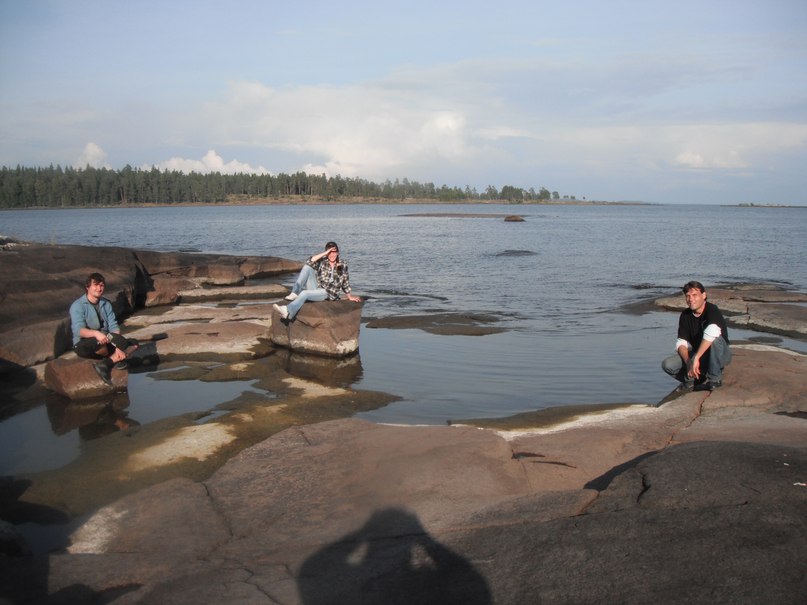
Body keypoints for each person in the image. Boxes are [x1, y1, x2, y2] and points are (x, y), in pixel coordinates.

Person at [662, 280, 732, 391]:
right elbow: (681, 342)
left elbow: (712, 332)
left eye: (695, 295)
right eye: (688, 296)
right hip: (700, 355)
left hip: (720, 353)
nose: (691, 299)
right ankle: (695, 380)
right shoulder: (685, 315)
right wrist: (688, 362)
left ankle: (714, 379)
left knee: (715, 339)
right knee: (668, 364)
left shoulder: (712, 310)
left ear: (704, 295)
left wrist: (696, 358)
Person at [273, 241, 361, 321]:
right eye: (330, 252)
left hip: (328, 293)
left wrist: (349, 296)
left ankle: (288, 311)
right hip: (318, 288)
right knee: (307, 267)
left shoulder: (343, 264)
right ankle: (295, 293)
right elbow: (309, 261)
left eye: (334, 252)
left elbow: (345, 281)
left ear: (337, 253)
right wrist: (325, 253)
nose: (332, 255)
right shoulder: (323, 262)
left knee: (304, 293)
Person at [70, 272, 138, 371]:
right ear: (87, 287)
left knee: (133, 343)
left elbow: (113, 326)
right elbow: (78, 330)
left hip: (106, 340)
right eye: (96, 285)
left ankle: (107, 363)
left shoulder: (106, 304)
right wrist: (96, 333)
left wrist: (118, 346)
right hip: (84, 344)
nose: (99, 288)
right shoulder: (78, 306)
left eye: (101, 285)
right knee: (99, 342)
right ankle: (115, 359)